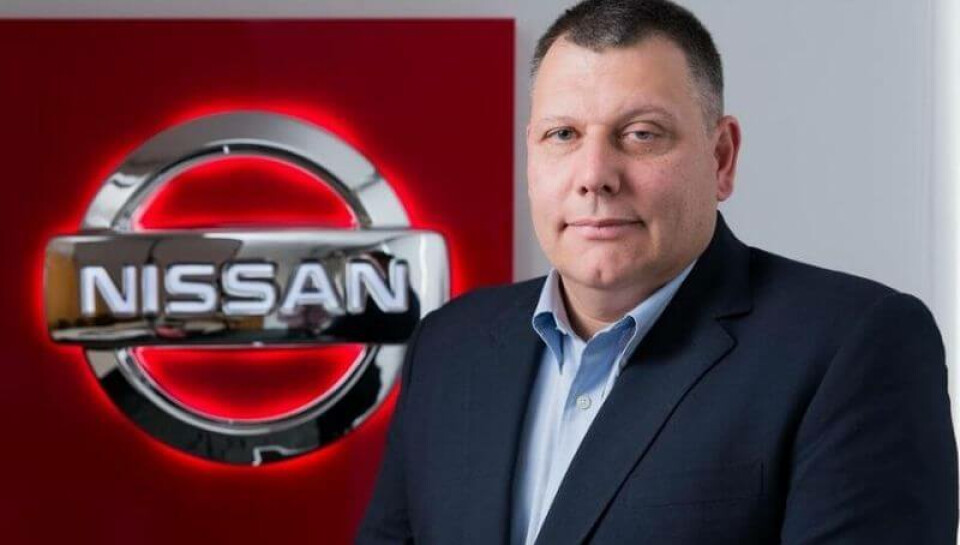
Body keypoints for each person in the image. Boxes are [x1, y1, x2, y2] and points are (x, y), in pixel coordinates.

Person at [357, 0, 958, 543]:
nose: (595, 175)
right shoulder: (450, 346)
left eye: (641, 134)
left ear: (721, 158)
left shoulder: (852, 346)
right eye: (563, 134)